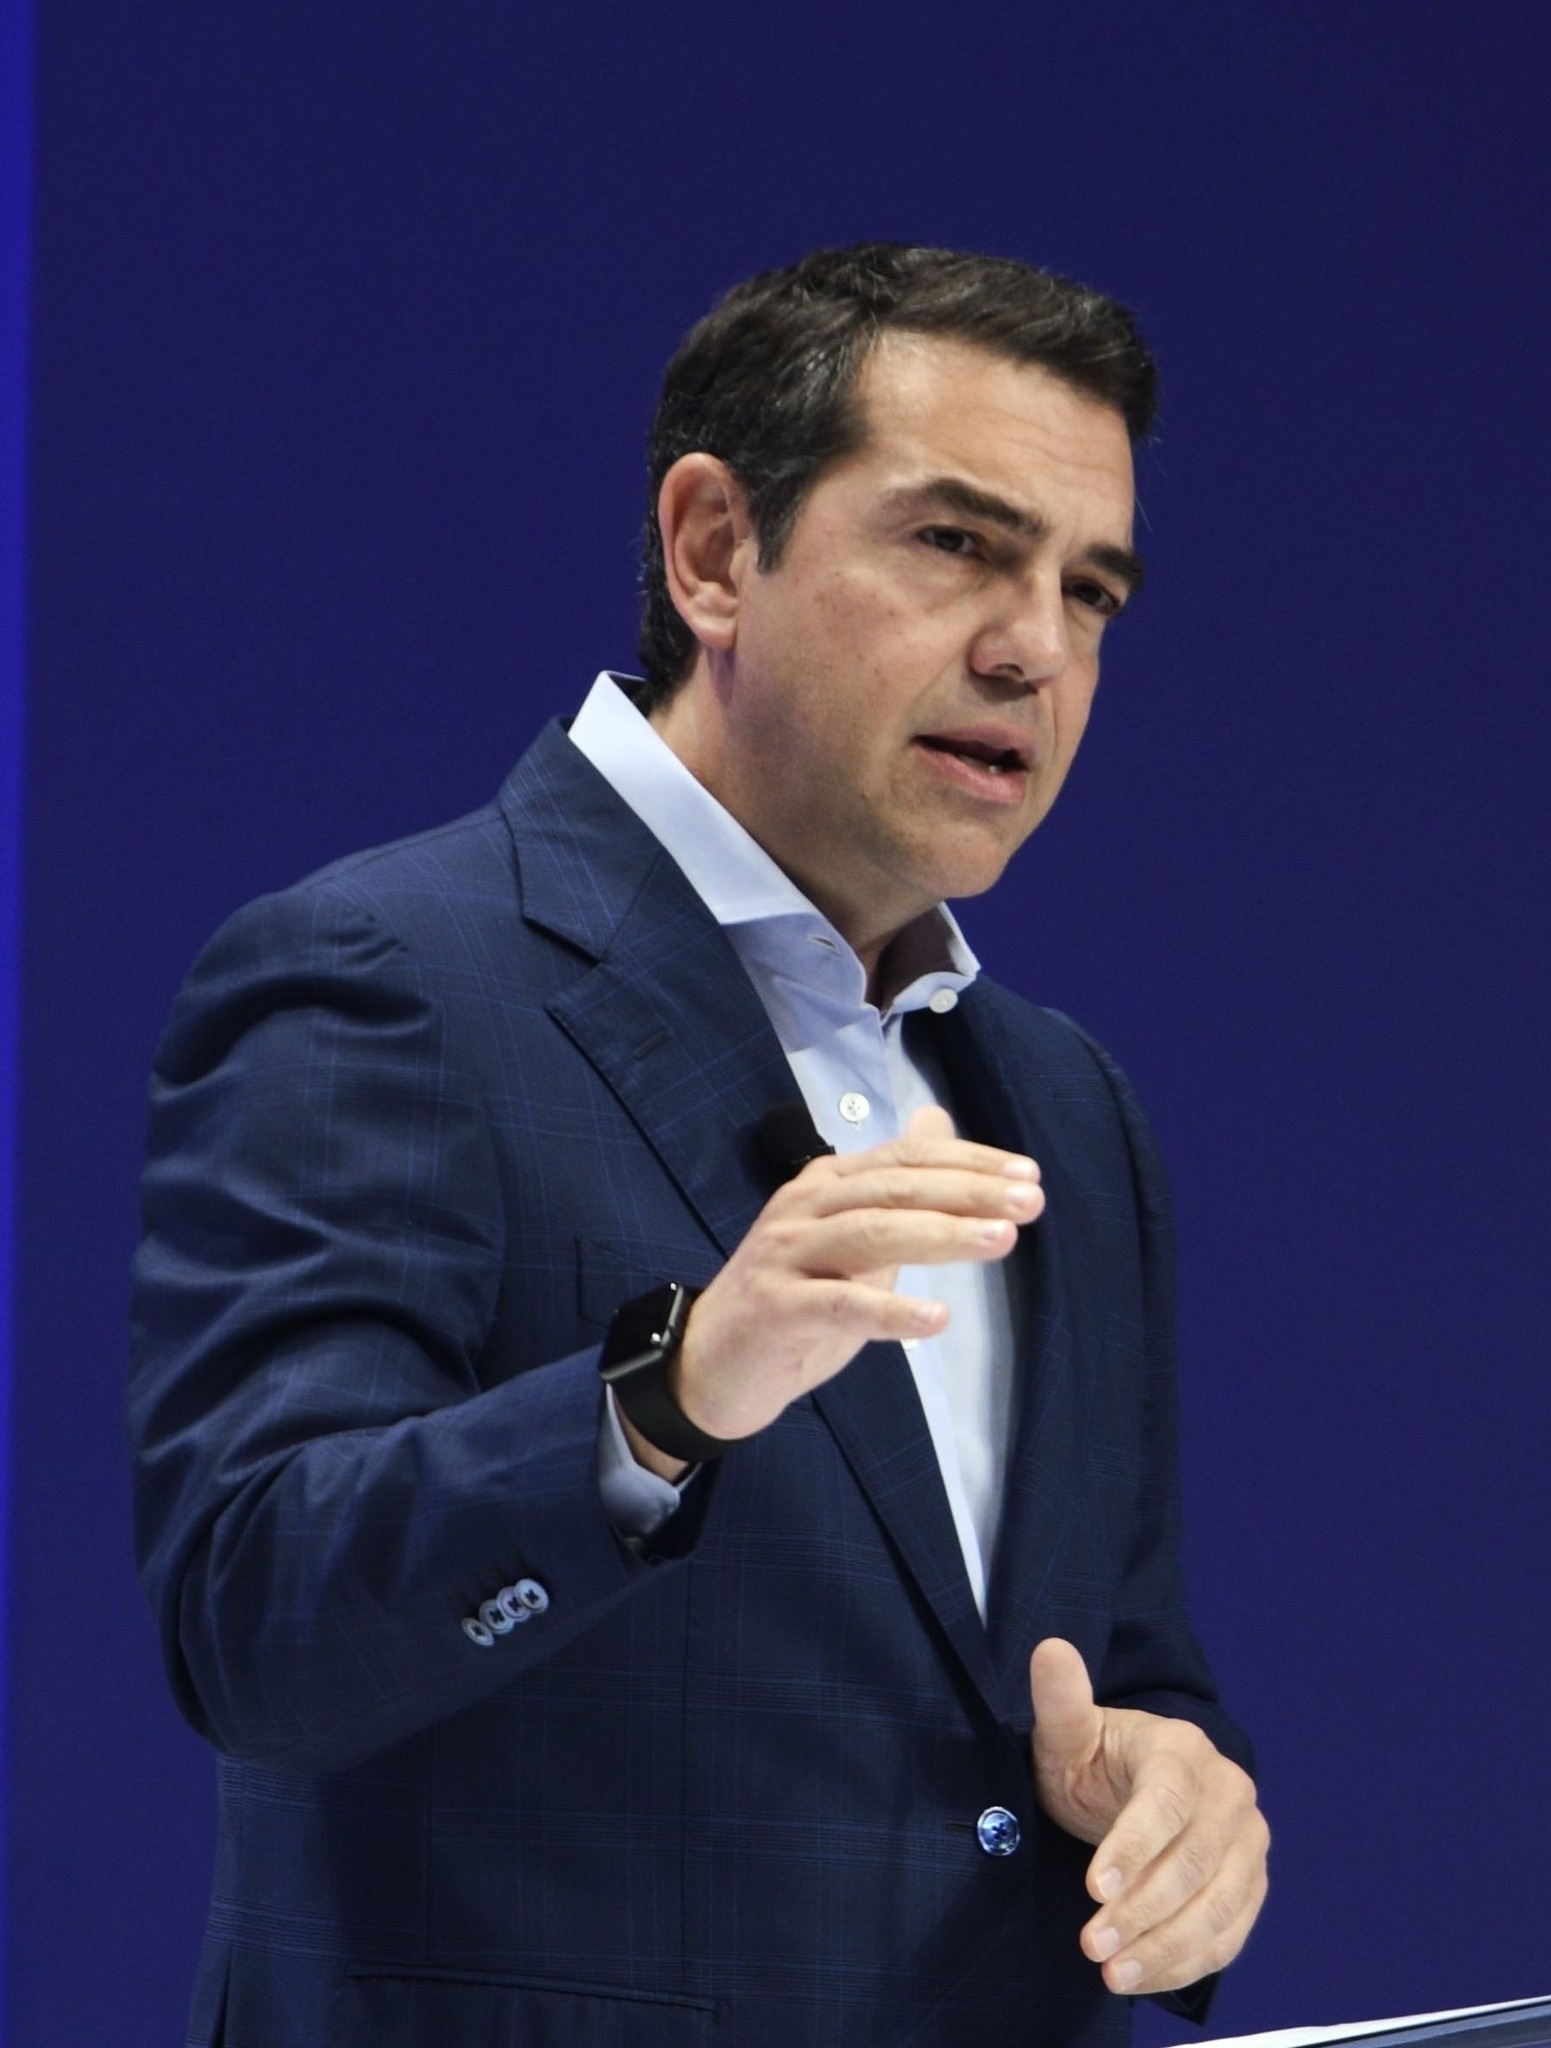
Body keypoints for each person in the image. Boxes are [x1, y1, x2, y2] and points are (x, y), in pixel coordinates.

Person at [130, 243, 1269, 2048]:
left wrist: (1175, 1788)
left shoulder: (1067, 1104)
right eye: (956, 543)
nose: (1034, 648)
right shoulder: (385, 975)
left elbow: (1111, 1670)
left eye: (1090, 589)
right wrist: (664, 1399)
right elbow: (256, 1623)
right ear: (715, 551)